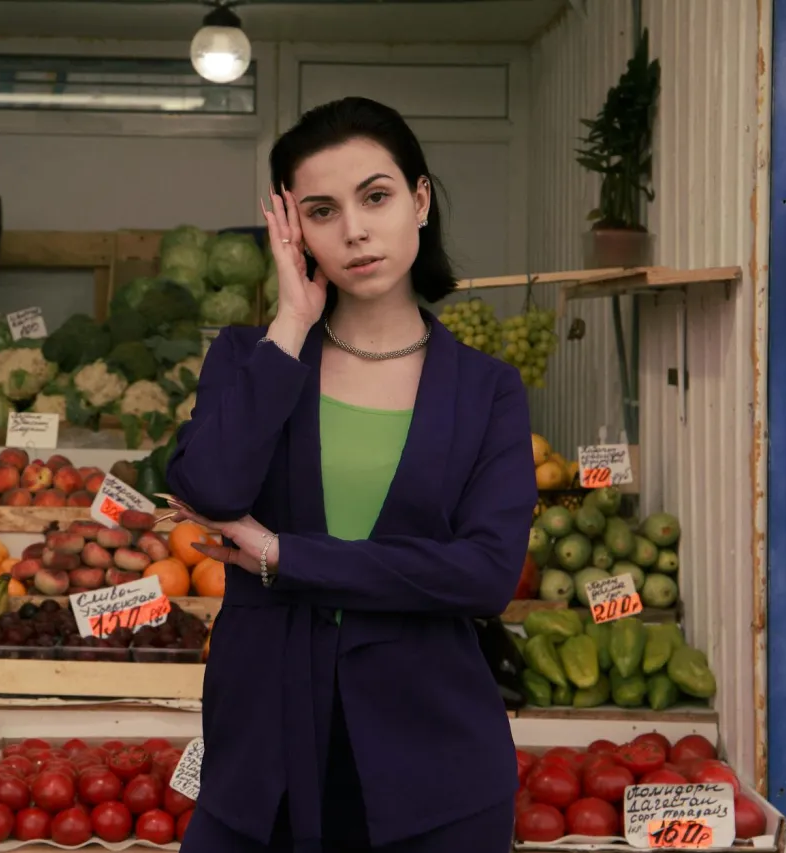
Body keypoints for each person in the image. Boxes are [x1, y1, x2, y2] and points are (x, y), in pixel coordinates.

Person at [165, 96, 538, 853]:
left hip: (433, 771)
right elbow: (209, 489)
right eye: (322, 211)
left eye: (376, 196)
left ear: (420, 200)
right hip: (260, 762)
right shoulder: (253, 357)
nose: (355, 230)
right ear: (290, 228)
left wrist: (287, 556)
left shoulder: (486, 389)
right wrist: (293, 322)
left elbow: (483, 574)